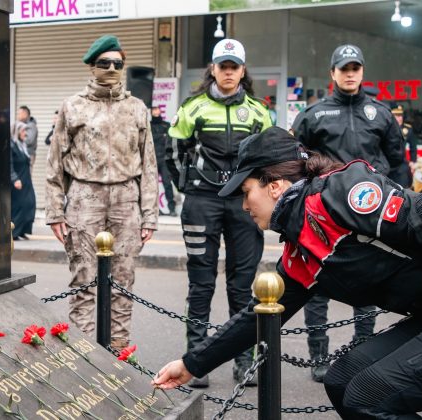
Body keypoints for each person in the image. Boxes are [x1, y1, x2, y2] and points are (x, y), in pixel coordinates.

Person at [153, 127, 422, 419]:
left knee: (368, 396)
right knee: (343, 379)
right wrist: (190, 365)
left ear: (274, 185)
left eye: (247, 192)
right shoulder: (299, 251)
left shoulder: (340, 193)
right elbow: (257, 318)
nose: (243, 206)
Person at [291, 43, 407, 382]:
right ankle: (318, 355)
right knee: (320, 284)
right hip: (324, 211)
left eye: (355, 67)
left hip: (370, 210)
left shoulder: (381, 113)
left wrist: (402, 204)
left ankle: (363, 349)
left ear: (362, 71)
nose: (350, 73)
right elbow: (296, 162)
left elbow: (398, 162)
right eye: (344, 68)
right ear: (333, 73)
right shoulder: (313, 115)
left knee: (367, 280)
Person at [166, 38, 272, 387]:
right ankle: (197, 362)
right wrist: (188, 187)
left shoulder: (259, 111)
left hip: (244, 204)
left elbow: (271, 158)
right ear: (213, 68)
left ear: (243, 70)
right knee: (201, 283)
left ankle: (245, 361)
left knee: (243, 286)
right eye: (222, 65)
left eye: (234, 66)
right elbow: (172, 150)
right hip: (202, 202)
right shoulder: (193, 107)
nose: (228, 71)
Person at [45, 34, 158, 351]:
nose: (111, 68)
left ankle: (119, 353)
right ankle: (84, 354)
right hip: (85, 199)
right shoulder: (73, 107)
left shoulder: (137, 109)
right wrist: (55, 211)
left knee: (122, 281)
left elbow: (149, 165)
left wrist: (149, 215)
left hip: (126, 200)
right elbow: (55, 164)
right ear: (92, 66)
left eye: (117, 63)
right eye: (104, 63)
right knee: (85, 281)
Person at [10, 122, 36, 240]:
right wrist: (14, 179)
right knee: (19, 206)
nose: (25, 134)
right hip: (17, 181)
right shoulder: (11, 145)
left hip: (26, 181)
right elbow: (8, 165)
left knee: (30, 204)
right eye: (23, 131)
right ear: (16, 132)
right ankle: (14, 232)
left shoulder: (22, 145)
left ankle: (23, 230)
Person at [150, 106, 176, 216]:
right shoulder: (149, 126)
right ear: (151, 112)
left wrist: (169, 156)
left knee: (167, 184)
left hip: (164, 160)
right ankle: (154, 210)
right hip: (152, 160)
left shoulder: (166, 125)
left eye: (157, 109)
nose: (156, 111)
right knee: (152, 186)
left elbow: (171, 141)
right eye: (153, 110)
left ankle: (172, 209)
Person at [387, 104, 419, 188]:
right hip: (387, 165)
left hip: (401, 165)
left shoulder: (407, 129)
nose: (400, 118)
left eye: (401, 115)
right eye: (397, 116)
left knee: (403, 189)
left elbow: (413, 146)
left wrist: (413, 161)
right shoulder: (384, 127)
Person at [17, 105, 38, 170]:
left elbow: (29, 140)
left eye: (19, 113)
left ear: (25, 114)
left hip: (28, 155)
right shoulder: (23, 125)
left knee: (25, 178)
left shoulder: (31, 125)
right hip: (22, 155)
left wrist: (17, 140)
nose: (18, 115)